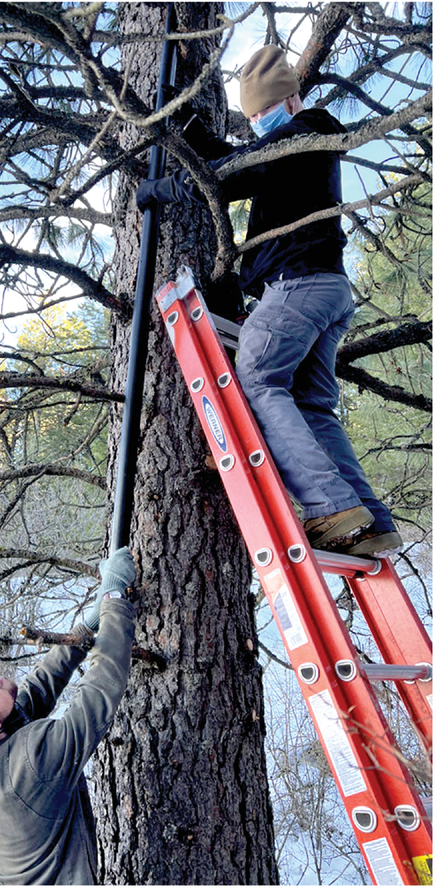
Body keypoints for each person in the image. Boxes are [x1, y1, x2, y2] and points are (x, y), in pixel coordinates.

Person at [136, 45, 402, 558]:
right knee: (313, 407)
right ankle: (371, 522)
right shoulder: (301, 142)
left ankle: (328, 505)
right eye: (253, 114)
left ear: (293, 101)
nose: (259, 120)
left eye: (266, 110)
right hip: (326, 288)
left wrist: (162, 189)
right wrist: (188, 126)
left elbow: (228, 175)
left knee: (258, 377)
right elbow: (232, 162)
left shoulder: (300, 136)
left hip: (299, 285)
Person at [0, 547, 136, 885]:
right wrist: (114, 597)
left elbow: (27, 701)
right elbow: (100, 690)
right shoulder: (31, 769)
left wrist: (86, 630)